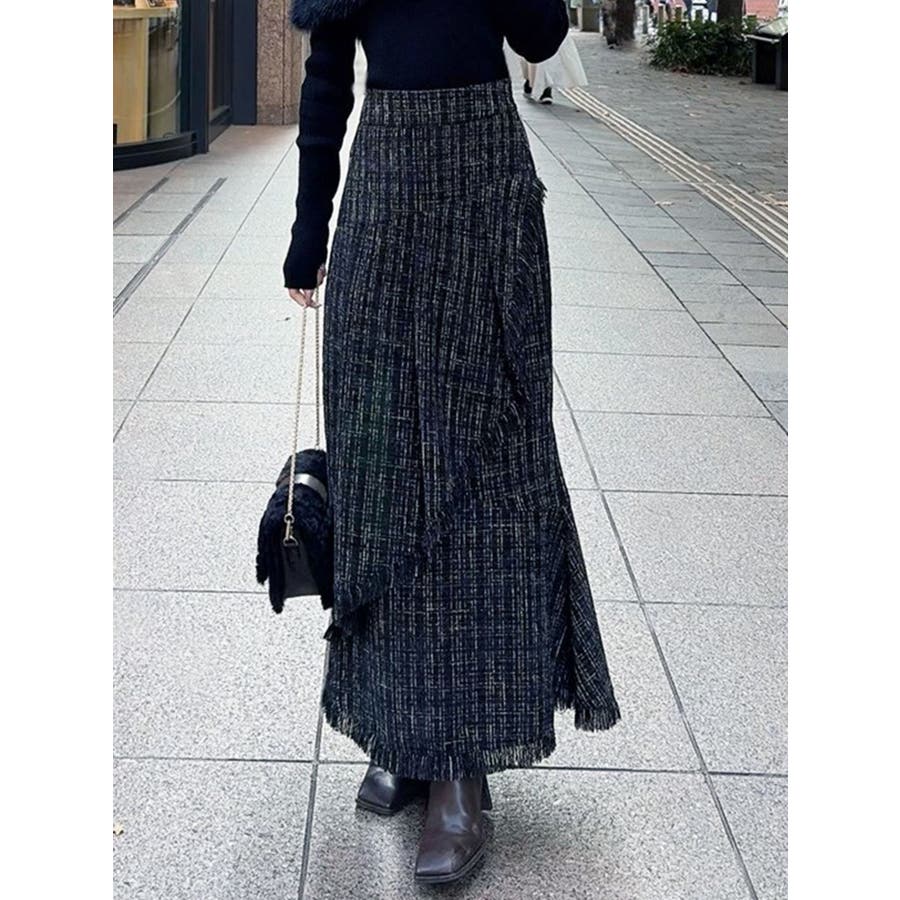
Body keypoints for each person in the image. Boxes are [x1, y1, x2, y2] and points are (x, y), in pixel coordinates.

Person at [283, 0, 621, 885]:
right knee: (382, 464)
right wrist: (309, 229)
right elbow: (326, 77)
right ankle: (403, 732)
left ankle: (462, 764)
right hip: (385, 190)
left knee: (489, 474)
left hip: (486, 191)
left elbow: (541, 33)